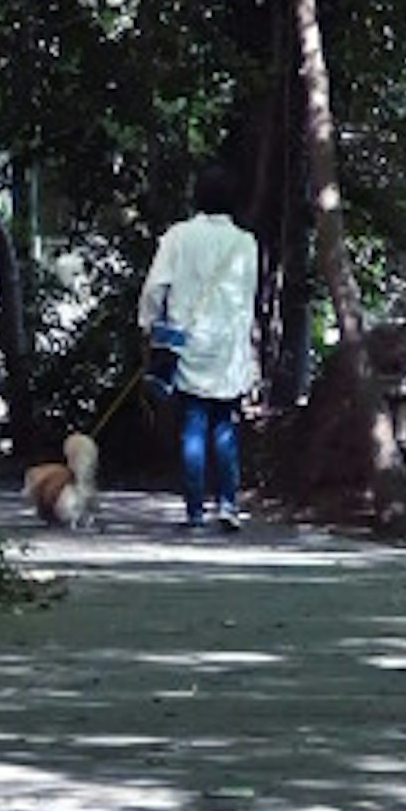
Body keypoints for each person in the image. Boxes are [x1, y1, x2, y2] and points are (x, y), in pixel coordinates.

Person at [138, 157, 263, 531]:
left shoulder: (178, 236)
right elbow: (248, 296)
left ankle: (194, 510)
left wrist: (149, 324)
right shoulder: (246, 243)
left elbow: (155, 286)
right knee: (224, 426)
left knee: (192, 425)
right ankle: (227, 504)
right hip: (228, 349)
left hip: (187, 343)